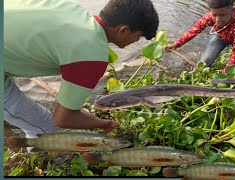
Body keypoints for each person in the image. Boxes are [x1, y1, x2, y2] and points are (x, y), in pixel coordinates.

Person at [4, 0, 159, 141]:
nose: (136, 42)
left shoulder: (72, 9)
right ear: (124, 30)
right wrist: (104, 123)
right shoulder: (92, 55)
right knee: (45, 128)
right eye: (138, 37)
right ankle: (38, 164)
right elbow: (61, 120)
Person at [165, 0, 235, 74]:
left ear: (232, 11)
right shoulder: (208, 17)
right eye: (214, 15)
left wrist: (225, 71)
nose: (218, 20)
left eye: (222, 15)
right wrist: (176, 44)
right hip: (222, 34)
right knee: (204, 62)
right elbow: (192, 31)